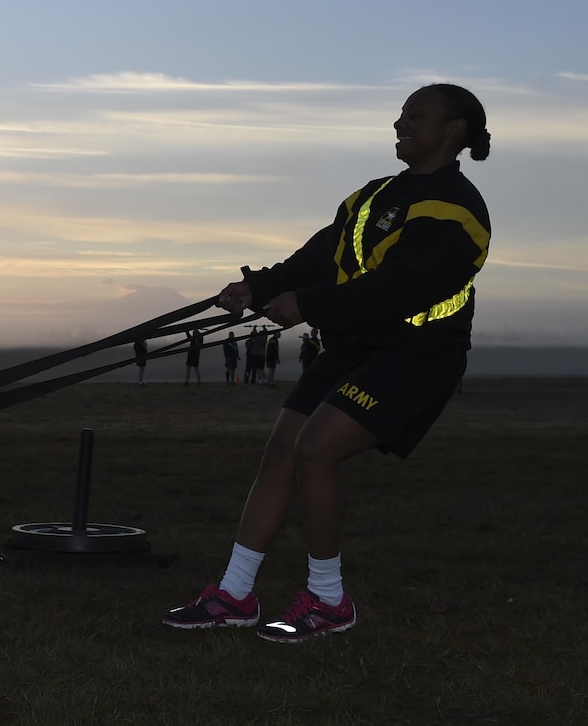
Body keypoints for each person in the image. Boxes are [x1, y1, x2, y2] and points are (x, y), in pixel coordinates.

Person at [163, 84, 493, 642]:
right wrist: (257, 287)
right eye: (400, 115)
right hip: (352, 347)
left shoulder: (458, 210)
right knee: (281, 452)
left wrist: (307, 306)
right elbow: (318, 257)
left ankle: (329, 601)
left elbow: (397, 291)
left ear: (454, 129)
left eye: (415, 116)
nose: (399, 124)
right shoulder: (372, 196)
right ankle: (234, 595)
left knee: (315, 449)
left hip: (415, 357)